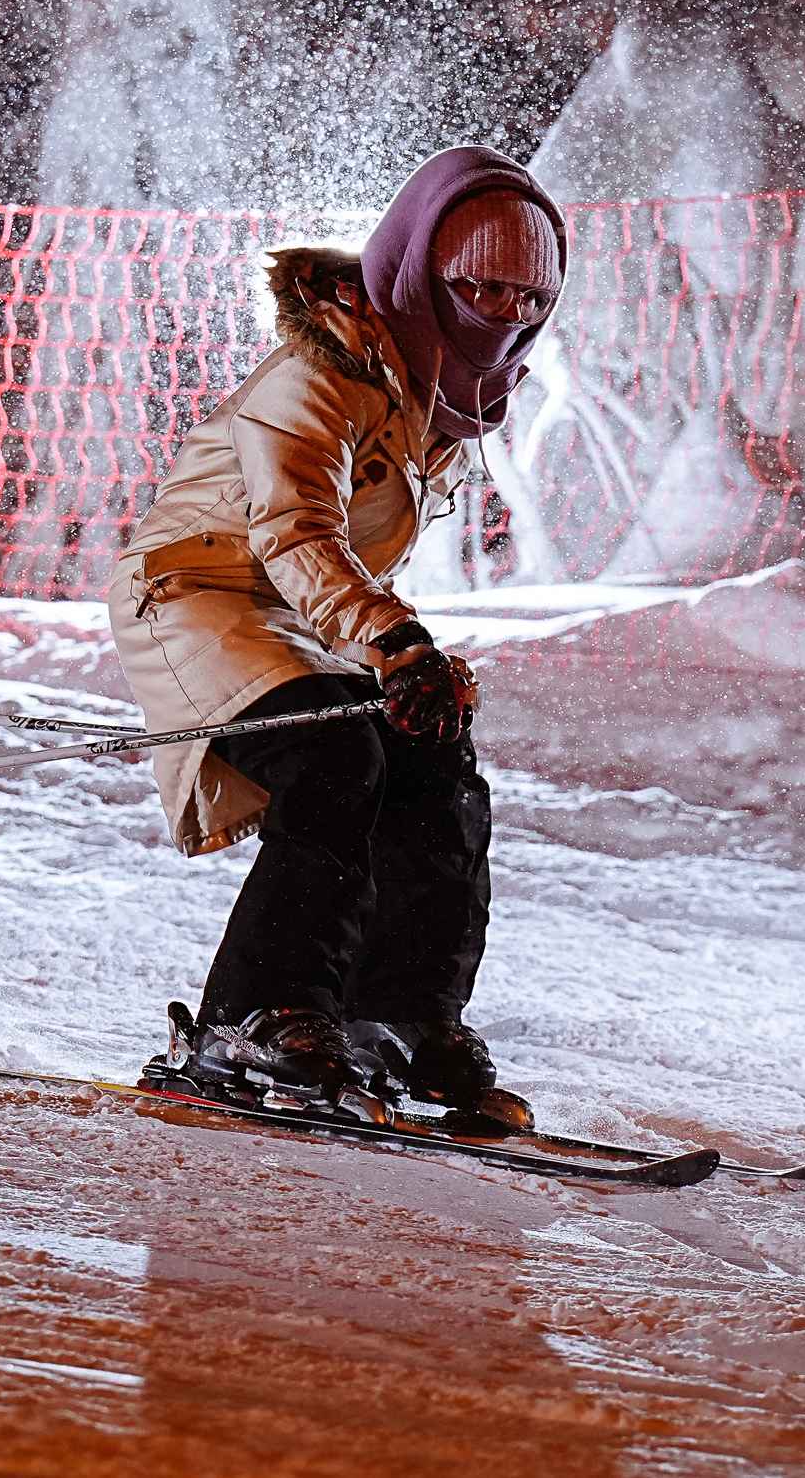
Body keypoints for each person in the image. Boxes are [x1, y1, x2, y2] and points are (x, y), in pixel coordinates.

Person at [107, 146, 565, 1126]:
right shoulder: (324, 369)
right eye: (482, 287)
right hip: (197, 587)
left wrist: (405, 662)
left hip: (300, 608)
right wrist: (393, 642)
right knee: (332, 761)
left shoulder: (442, 391)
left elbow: (343, 557)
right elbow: (295, 531)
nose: (505, 314)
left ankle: (399, 1019)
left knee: (433, 763)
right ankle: (251, 1018)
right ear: (420, 272)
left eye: (530, 297)